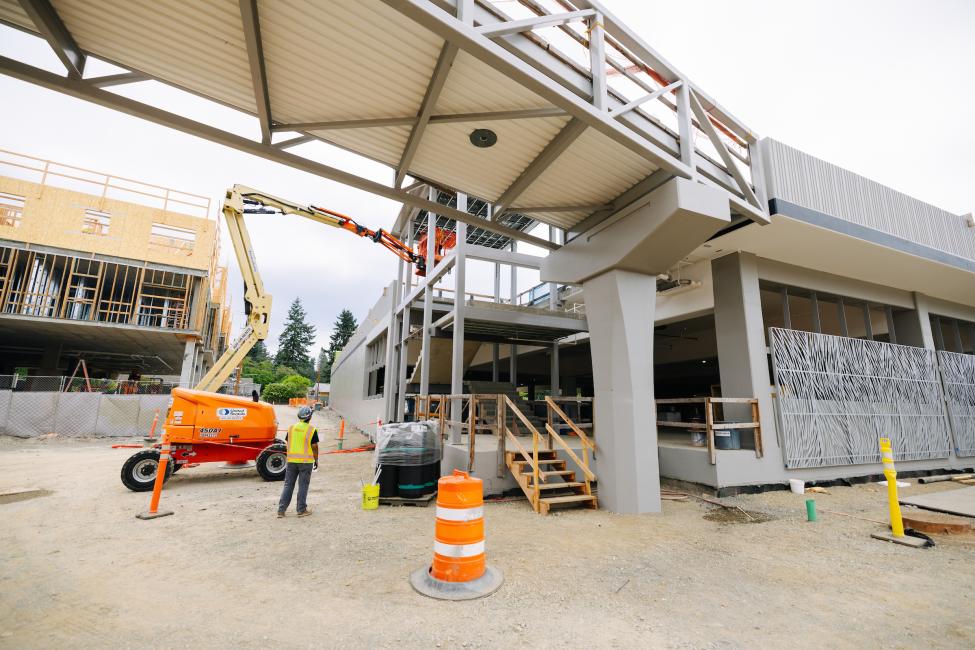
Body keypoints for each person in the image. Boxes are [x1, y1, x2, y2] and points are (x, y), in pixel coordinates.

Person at [277, 406, 319, 518]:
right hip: (306, 462)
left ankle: (281, 510)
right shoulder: (311, 429)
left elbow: (288, 442)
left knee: (288, 485)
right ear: (309, 417)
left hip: (291, 461)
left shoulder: (291, 428)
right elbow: (314, 446)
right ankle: (301, 509)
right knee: (303, 485)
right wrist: (316, 460)